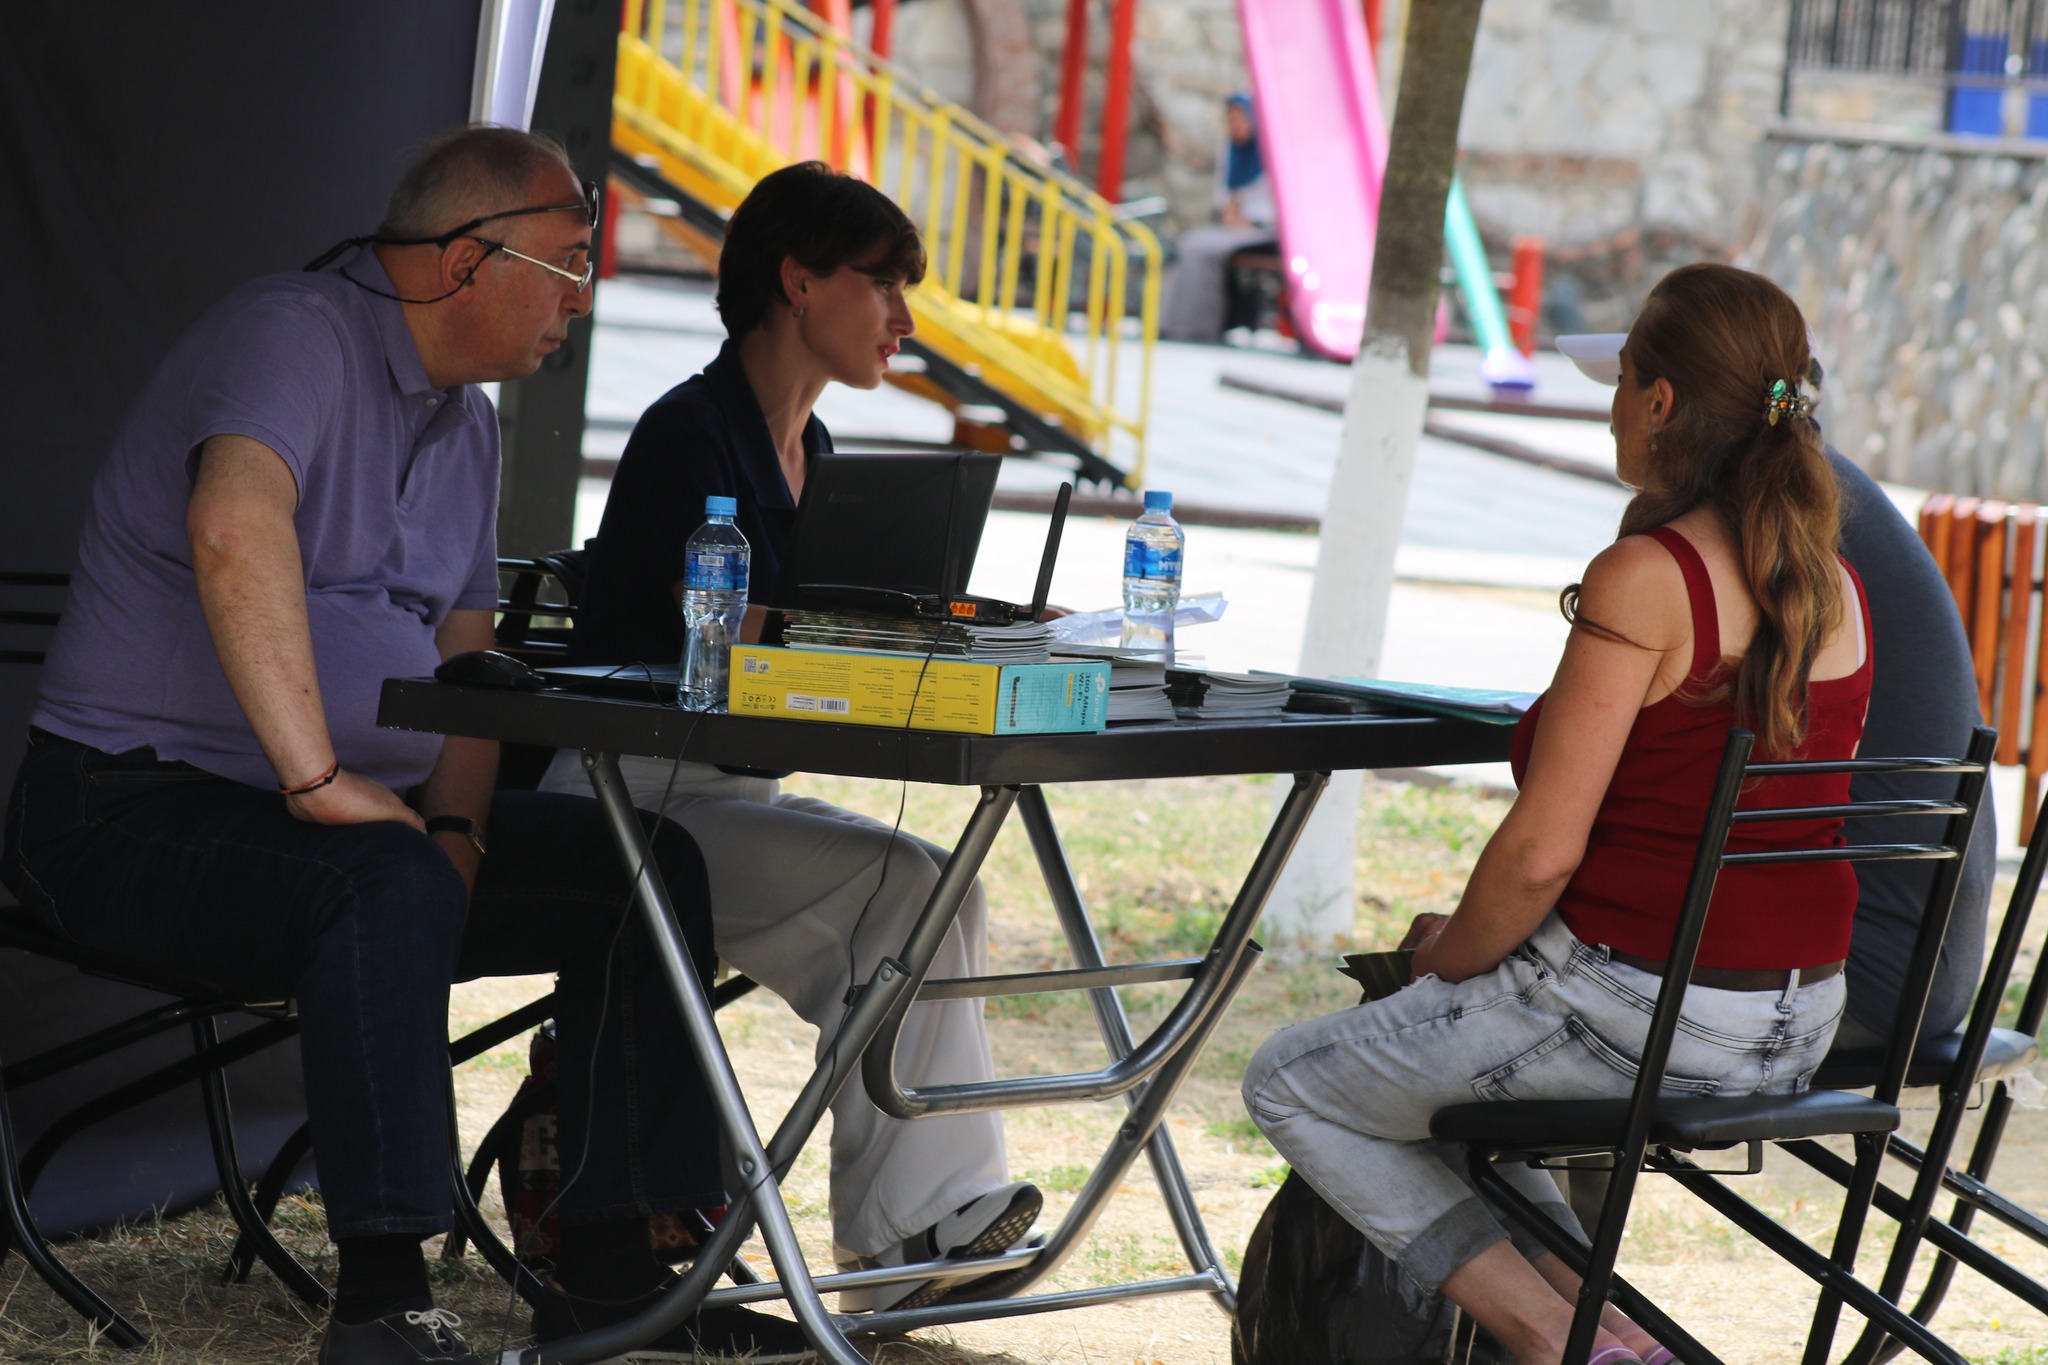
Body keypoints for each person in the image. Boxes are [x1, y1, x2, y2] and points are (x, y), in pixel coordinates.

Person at [2, 127, 811, 1365]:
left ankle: (613, 1275)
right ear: (464, 259)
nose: (581, 299)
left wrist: (455, 839)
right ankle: (386, 1300)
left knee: (642, 869)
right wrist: (319, 781)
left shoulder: (467, 422)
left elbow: (465, 672)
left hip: (342, 836)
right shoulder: (294, 333)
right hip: (122, 811)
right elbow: (232, 529)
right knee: (377, 879)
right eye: (567, 262)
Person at [1243, 264, 1871, 1365]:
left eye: (1620, 379)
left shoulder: (1647, 576)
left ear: (1659, 401)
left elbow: (1540, 853)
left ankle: (1555, 1344)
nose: (1611, 404)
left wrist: (1444, 965)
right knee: (1448, 1093)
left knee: (1291, 1080)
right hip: (1796, 1017)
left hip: (1640, 1011)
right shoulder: (1832, 587)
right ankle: (1619, 1339)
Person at [541, 161, 1040, 1312]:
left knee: (936, 889)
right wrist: (894, 629)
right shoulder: (687, 435)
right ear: (799, 282)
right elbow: (731, 636)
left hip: (723, 798)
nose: (903, 320)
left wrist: (969, 630)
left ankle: (917, 1228)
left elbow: (813, 643)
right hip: (624, 798)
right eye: (883, 285)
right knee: (907, 889)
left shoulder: (821, 454)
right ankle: (911, 1233)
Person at [1159, 93, 1279, 343]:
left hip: (1264, 229)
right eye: (1230, 119)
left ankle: (1202, 326)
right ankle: (1174, 322)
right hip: (1234, 225)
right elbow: (1225, 193)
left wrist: (1249, 221)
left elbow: (1277, 203)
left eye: (1240, 119)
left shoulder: (1272, 153)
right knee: (1187, 244)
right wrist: (1230, 214)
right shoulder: (1231, 150)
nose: (1235, 125)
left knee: (1205, 253)